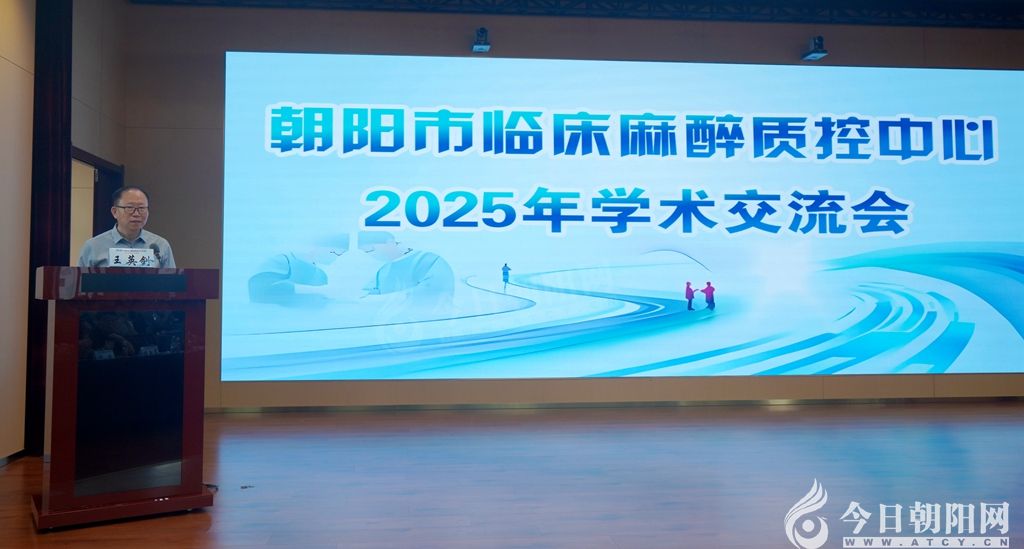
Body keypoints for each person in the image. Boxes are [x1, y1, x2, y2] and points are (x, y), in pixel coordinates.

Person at [78, 186, 175, 268]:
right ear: (115, 212)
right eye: (129, 208)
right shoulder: (93, 246)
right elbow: (81, 282)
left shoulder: (160, 245)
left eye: (141, 208)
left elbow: (171, 282)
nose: (136, 214)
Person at [359, 231, 454, 310]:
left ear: (390, 242)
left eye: (371, 249)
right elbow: (369, 292)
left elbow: (435, 294)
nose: (370, 254)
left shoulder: (428, 260)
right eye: (365, 251)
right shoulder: (384, 270)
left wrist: (387, 299)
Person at [247, 234, 349, 306]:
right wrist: (315, 291)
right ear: (317, 247)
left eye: (340, 255)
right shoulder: (282, 261)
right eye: (334, 252)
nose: (336, 257)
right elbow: (258, 292)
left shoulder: (321, 274)